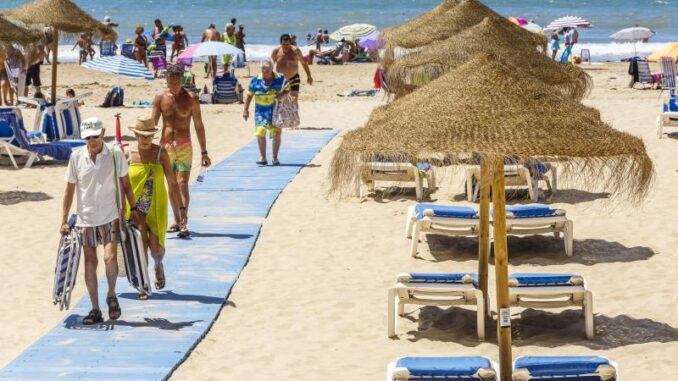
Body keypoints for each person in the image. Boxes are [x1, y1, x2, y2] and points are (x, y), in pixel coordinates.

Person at [61, 117, 142, 325]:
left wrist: (133, 208)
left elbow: (126, 184)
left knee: (109, 258)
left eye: (95, 136)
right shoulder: (76, 157)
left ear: (103, 133)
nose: (92, 141)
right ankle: (95, 309)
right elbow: (69, 190)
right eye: (88, 137)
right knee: (89, 262)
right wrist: (63, 220)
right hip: (85, 218)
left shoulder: (115, 154)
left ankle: (112, 295)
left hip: (109, 215)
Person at [126, 116, 185, 299]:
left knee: (156, 247)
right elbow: (121, 183)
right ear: (135, 135)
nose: (145, 140)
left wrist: (180, 211)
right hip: (136, 207)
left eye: (149, 136)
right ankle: (143, 285)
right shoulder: (128, 154)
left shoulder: (161, 153)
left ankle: (158, 265)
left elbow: (173, 183)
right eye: (142, 136)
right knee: (140, 245)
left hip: (156, 204)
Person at [152, 64, 211, 238]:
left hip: (185, 145)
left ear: (182, 80)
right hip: (166, 146)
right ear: (167, 80)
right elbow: (152, 124)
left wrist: (204, 151)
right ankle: (176, 220)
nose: (175, 86)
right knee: (171, 184)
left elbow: (199, 125)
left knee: (182, 183)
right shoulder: (160, 97)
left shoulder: (192, 98)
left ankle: (184, 220)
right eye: (171, 83)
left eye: (178, 82)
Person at [242, 59, 290, 166]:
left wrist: (281, 96)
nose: (264, 72)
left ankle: (275, 158)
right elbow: (249, 95)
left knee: (277, 132)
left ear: (272, 69)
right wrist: (245, 110)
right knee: (260, 132)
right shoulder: (255, 80)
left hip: (275, 111)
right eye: (263, 69)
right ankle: (263, 157)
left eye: (267, 70)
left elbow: (288, 89)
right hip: (261, 112)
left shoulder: (280, 78)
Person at [271, 33, 313, 108]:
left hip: (294, 78)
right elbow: (270, 66)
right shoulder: (276, 51)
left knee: (293, 100)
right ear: (280, 43)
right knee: (280, 101)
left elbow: (303, 63)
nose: (286, 46)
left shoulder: (296, 51)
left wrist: (309, 75)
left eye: (288, 44)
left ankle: (295, 118)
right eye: (284, 44)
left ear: (290, 43)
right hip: (281, 79)